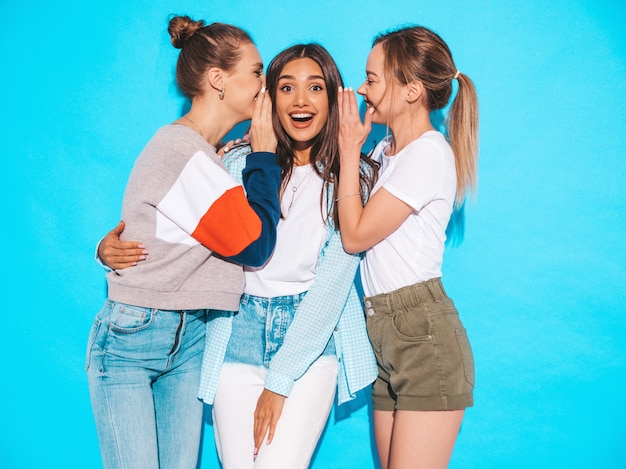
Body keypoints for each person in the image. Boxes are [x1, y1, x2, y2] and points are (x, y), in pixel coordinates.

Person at [99, 43, 379, 469]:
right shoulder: (235, 163)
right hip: (234, 336)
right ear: (268, 97)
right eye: (286, 87)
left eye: (315, 87)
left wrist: (280, 380)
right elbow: (170, 221)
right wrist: (105, 250)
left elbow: (332, 289)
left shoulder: (350, 178)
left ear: (331, 98)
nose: (301, 100)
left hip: (309, 343)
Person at [86, 15, 281, 469]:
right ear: (218, 79)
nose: (264, 83)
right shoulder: (181, 151)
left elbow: (148, 228)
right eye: (256, 71)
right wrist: (266, 154)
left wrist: (103, 250)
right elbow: (253, 244)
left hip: (189, 335)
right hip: (133, 338)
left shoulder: (208, 155)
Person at [336, 25, 478, 469]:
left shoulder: (428, 154)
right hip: (383, 332)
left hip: (423, 335)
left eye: (373, 79)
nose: (363, 89)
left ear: (412, 90)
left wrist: (346, 152)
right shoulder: (384, 151)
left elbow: (355, 234)